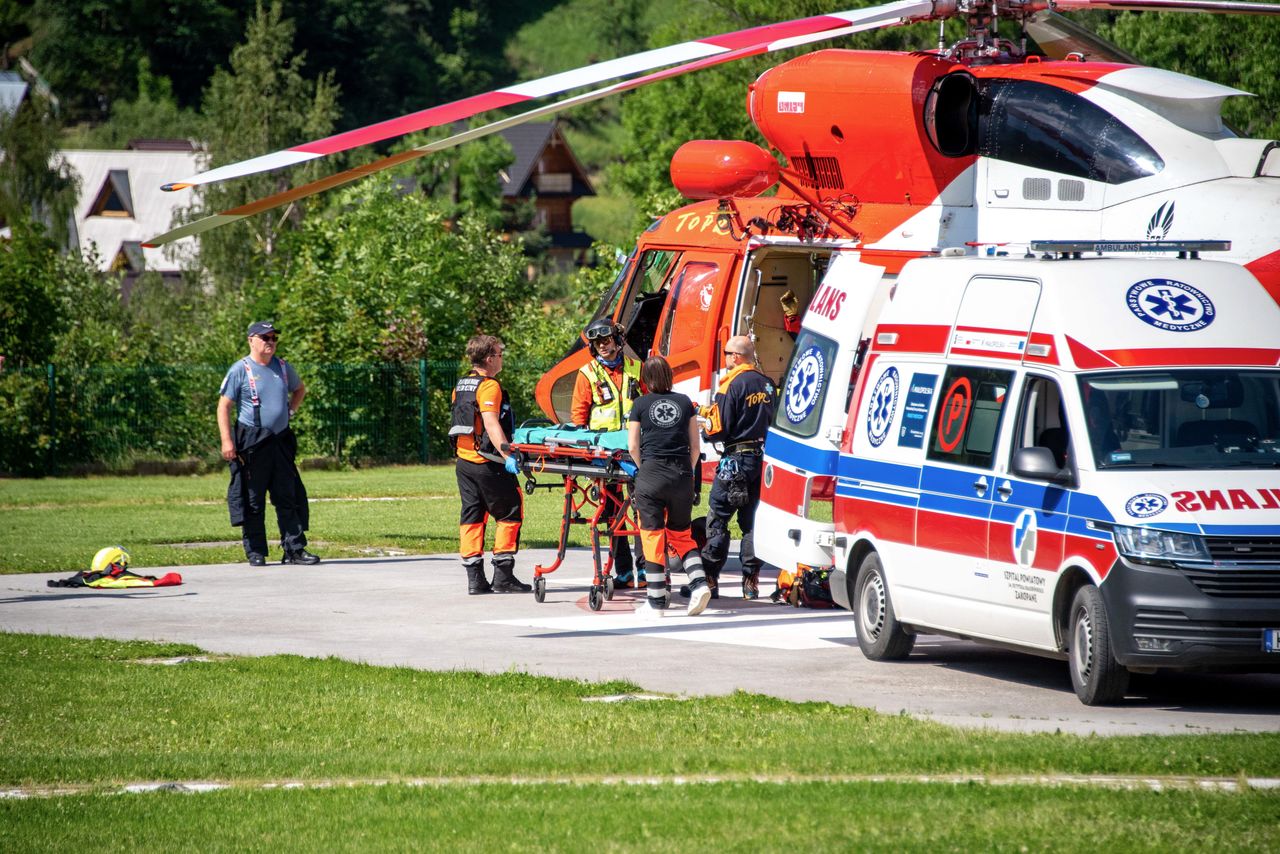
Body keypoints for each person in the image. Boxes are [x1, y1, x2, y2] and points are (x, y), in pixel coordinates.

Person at [218, 320, 318, 566]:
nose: (271, 343)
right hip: (252, 443)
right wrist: (227, 441)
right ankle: (256, 552)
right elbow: (224, 406)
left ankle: (294, 549)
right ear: (251, 340)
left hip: (280, 441)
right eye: (265, 338)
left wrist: (290, 412)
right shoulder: (240, 369)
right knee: (253, 499)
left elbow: (300, 390)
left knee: (287, 495)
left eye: (274, 338)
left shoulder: (282, 367)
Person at [626, 355, 711, 617]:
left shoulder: (640, 404)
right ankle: (699, 584)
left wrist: (645, 469)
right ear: (669, 376)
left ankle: (656, 602)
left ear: (647, 380)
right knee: (681, 535)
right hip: (682, 475)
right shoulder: (685, 403)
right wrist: (687, 471)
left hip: (651, 474)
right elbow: (695, 447)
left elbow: (632, 446)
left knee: (652, 537)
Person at [449, 334, 530, 595]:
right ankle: (503, 577)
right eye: (499, 353)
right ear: (489, 358)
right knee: (510, 512)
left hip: (464, 462)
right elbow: (491, 423)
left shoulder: (462, 384)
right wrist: (507, 455)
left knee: (472, 516)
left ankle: (475, 578)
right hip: (487, 463)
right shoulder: (489, 386)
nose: (501, 357)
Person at [699, 335, 776, 599]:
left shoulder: (731, 385)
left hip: (734, 460)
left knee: (718, 520)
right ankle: (750, 583)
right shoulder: (767, 385)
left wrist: (705, 428)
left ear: (736, 356)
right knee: (751, 523)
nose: (725, 358)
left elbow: (720, 429)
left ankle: (710, 580)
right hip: (761, 461)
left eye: (726, 353)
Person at [571, 317, 644, 586]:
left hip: (635, 450)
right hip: (605, 454)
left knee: (641, 509)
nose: (602, 345)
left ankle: (646, 569)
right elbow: (579, 417)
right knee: (613, 513)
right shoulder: (587, 374)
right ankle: (624, 570)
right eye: (597, 342)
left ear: (617, 340)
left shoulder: (637, 369)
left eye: (607, 340)